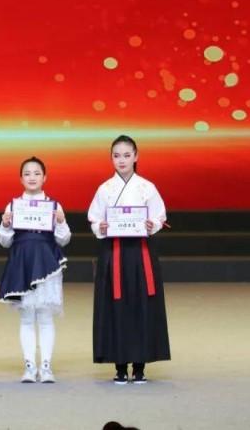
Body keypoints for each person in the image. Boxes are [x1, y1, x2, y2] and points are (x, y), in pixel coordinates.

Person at [88, 135, 171, 384]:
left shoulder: (147, 187)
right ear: (111, 158)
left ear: (136, 156)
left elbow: (159, 215)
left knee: (142, 304)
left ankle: (140, 365)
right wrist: (100, 227)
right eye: (116, 156)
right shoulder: (105, 189)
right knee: (115, 306)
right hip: (113, 252)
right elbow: (94, 218)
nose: (121, 160)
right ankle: (120, 365)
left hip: (140, 253)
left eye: (126, 155)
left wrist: (152, 224)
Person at [0, 156, 70, 383]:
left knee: (45, 317)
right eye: (27, 173)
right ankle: (29, 366)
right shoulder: (13, 205)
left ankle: (46, 366)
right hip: (22, 264)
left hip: (47, 264)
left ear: (44, 177)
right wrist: (5, 225)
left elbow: (64, 239)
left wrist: (61, 221)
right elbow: (5, 241)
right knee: (27, 318)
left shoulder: (54, 205)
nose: (32, 177)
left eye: (37, 173)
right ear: (21, 178)